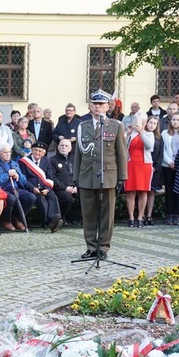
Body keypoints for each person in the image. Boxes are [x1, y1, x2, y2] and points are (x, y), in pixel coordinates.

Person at [74, 89, 127, 260]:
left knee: (107, 215)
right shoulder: (83, 126)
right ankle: (91, 246)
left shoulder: (116, 126)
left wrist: (122, 177)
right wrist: (76, 177)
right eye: (95, 104)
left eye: (101, 104)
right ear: (90, 106)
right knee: (88, 214)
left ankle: (103, 247)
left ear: (107, 106)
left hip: (108, 176)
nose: (98, 107)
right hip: (87, 176)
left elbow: (121, 154)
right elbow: (78, 155)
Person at [18, 142, 62, 232]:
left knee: (52, 196)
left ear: (44, 152)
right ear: (32, 150)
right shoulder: (24, 161)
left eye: (40, 151)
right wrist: (32, 188)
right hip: (31, 188)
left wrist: (48, 188)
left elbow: (50, 176)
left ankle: (54, 219)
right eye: (35, 150)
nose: (37, 153)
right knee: (41, 199)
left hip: (44, 187)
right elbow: (23, 179)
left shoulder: (47, 161)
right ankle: (48, 222)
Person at [0, 143, 35, 231]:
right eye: (5, 152)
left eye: (9, 152)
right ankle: (6, 220)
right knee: (11, 198)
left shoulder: (14, 163)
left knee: (31, 197)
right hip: (2, 189)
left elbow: (24, 181)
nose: (8, 154)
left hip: (15, 187)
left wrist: (17, 176)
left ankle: (16, 218)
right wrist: (7, 175)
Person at [123, 113, 154, 227]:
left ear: (144, 123)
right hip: (131, 164)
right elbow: (122, 146)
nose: (136, 124)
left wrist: (142, 133)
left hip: (144, 165)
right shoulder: (130, 135)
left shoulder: (149, 134)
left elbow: (150, 146)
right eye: (134, 121)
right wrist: (127, 133)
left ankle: (140, 217)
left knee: (143, 191)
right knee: (130, 192)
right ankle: (131, 217)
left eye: (139, 122)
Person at [161, 111, 179, 225]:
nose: (175, 122)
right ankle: (169, 214)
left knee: (178, 190)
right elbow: (162, 150)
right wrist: (170, 162)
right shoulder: (165, 133)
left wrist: (177, 163)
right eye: (173, 120)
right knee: (169, 190)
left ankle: (177, 214)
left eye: (178, 120)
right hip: (167, 165)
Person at [49, 138, 79, 224]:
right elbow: (52, 177)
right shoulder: (52, 160)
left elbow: (79, 174)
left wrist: (76, 186)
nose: (64, 147)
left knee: (85, 196)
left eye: (66, 146)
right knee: (67, 199)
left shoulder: (74, 160)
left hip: (74, 187)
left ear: (70, 148)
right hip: (60, 188)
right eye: (62, 145)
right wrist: (65, 188)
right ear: (58, 147)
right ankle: (60, 218)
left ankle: (72, 218)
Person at [143, 116, 163, 226]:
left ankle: (149, 215)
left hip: (154, 169)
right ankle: (141, 215)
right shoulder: (142, 135)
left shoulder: (159, 138)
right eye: (151, 122)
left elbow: (161, 154)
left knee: (151, 192)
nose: (152, 125)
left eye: (155, 123)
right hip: (143, 167)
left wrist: (155, 167)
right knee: (141, 192)